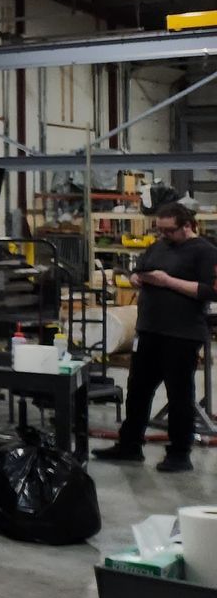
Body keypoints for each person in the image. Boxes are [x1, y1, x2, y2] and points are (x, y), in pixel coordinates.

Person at [95, 200, 217, 473]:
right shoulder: (157, 246)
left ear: (187, 226)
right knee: (137, 390)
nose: (163, 235)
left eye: (169, 230)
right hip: (149, 330)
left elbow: (210, 291)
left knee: (179, 395)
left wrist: (167, 281)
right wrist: (136, 278)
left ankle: (180, 453)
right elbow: (139, 270)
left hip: (181, 334)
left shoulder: (205, 251)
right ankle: (130, 445)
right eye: (160, 230)